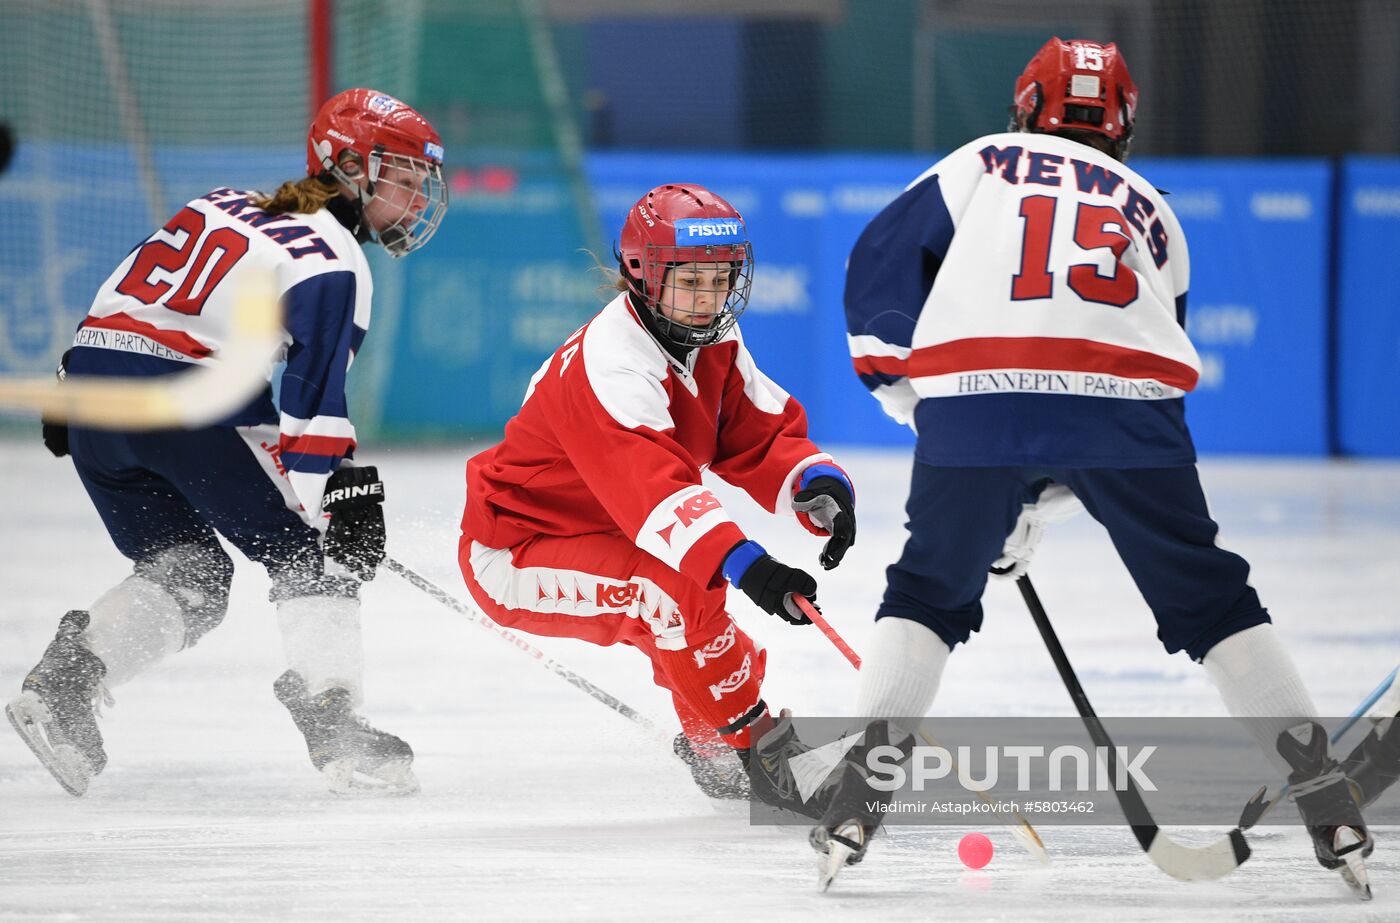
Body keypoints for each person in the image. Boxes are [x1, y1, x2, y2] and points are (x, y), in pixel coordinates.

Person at [809, 37, 1374, 890]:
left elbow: (877, 271)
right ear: (1123, 126)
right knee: (1213, 600)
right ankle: (1327, 794)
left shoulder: (978, 163)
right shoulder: (1153, 207)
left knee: (927, 590)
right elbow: (1134, 361)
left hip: (978, 402)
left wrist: (928, 413)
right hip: (1126, 406)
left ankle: (858, 792)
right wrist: (1037, 496)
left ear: (1026, 108)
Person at [6, 88, 449, 797]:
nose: (416, 197)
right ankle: (336, 722)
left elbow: (128, 292)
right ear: (348, 167)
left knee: (192, 573)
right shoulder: (334, 258)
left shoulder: (220, 202)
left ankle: (66, 683)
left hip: (93, 397)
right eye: (402, 175)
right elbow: (311, 403)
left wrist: (72, 380)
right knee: (314, 551)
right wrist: (342, 497)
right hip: (184, 404)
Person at [458, 183, 857, 803]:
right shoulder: (611, 364)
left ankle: (715, 750)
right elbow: (653, 491)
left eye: (720, 280)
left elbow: (754, 430)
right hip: (519, 549)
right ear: (643, 275)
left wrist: (813, 481)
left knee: (712, 637)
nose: (707, 299)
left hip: (610, 531)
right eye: (690, 281)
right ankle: (763, 758)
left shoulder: (712, 338)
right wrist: (750, 565)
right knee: (675, 595)